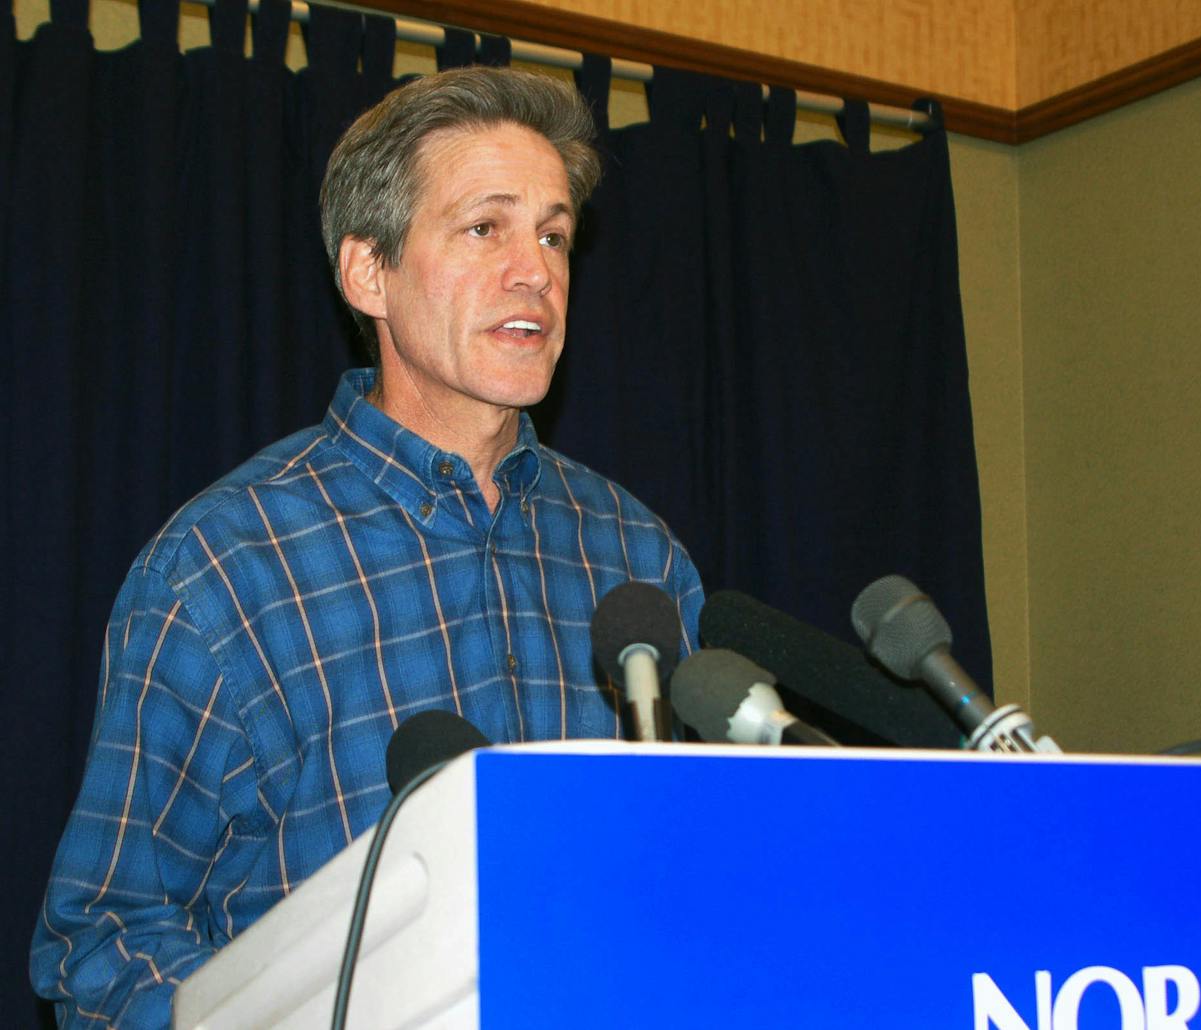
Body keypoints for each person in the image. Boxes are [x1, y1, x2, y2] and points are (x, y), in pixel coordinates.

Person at [31, 66, 704, 1025]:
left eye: (554, 234)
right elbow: (102, 935)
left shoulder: (637, 556)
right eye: (486, 228)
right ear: (366, 272)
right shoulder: (225, 569)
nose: (536, 271)